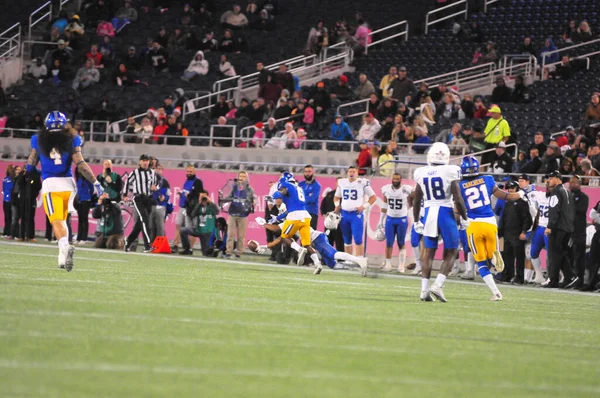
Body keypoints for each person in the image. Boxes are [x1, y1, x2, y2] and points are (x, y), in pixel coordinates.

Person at [26, 111, 103, 271]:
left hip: (51, 185)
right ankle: (62, 258)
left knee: (56, 220)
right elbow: (81, 165)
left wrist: (37, 173)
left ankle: (65, 246)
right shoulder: (73, 138)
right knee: (62, 219)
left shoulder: (37, 139)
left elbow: (30, 165)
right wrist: (96, 182)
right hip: (68, 186)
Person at [412, 143, 467, 302]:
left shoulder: (421, 172)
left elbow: (417, 200)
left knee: (428, 252)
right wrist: (464, 217)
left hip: (429, 213)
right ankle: (438, 284)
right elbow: (457, 198)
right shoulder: (451, 171)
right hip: (445, 212)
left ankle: (424, 290)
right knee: (452, 250)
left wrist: (416, 220)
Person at [272, 174, 324, 272]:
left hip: (295, 217)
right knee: (307, 244)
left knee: (284, 237)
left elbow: (283, 191)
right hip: (305, 216)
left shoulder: (286, 185)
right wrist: (278, 218)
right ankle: (318, 264)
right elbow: (289, 208)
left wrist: (277, 194)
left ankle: (299, 250)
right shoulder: (299, 188)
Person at [334, 166, 377, 257]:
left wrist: (364, 206)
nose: (351, 173)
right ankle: (348, 260)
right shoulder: (342, 182)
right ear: (347, 173)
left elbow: (373, 197)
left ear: (357, 173)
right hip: (344, 214)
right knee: (347, 239)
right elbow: (336, 197)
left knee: (358, 239)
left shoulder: (362, 182)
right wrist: (337, 205)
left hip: (356, 214)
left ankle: (359, 259)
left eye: (354, 171)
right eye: (350, 171)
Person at [544, 170, 576, 288]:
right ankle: (569, 276)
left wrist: (549, 226)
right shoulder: (567, 192)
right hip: (567, 227)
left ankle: (554, 280)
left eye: (551, 178)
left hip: (558, 227)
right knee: (560, 253)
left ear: (558, 179)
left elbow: (554, 211)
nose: (548, 180)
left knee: (554, 255)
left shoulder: (556, 192)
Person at [497, 180, 532, 285]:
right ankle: (508, 276)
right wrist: (501, 232)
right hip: (508, 233)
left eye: (512, 188)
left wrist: (524, 231)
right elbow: (504, 218)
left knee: (519, 258)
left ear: (517, 189)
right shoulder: (508, 203)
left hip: (517, 234)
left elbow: (528, 219)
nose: (510, 190)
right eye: (509, 188)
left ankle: (520, 278)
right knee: (507, 256)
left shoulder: (523, 203)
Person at [517, 174, 548, 284]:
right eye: (519, 180)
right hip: (530, 226)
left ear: (527, 181)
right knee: (529, 253)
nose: (520, 182)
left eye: (522, 180)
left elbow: (535, 213)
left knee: (531, 252)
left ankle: (529, 277)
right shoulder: (521, 193)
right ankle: (535, 276)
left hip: (536, 227)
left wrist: (530, 228)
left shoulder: (534, 194)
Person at [123, 154, 157, 253]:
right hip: (138, 198)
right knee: (145, 219)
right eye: (143, 160)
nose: (145, 162)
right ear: (140, 162)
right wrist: (125, 195)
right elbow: (127, 182)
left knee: (140, 223)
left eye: (147, 160)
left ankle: (128, 241)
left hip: (148, 199)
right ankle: (147, 245)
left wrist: (155, 188)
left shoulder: (152, 172)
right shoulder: (135, 173)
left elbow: (155, 184)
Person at [378, 173, 412, 272]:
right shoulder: (386, 189)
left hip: (402, 219)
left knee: (401, 242)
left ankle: (401, 265)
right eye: (394, 178)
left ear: (401, 180)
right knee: (389, 242)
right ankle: (388, 265)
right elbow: (384, 205)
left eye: (397, 179)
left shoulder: (406, 189)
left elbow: (413, 198)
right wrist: (381, 220)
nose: (395, 180)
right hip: (390, 218)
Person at [221, 171, 255, 258]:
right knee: (230, 233)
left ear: (246, 178)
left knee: (241, 235)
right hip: (233, 213)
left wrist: (252, 202)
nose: (242, 178)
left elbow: (253, 199)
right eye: (240, 176)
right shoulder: (234, 187)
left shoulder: (249, 189)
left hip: (243, 214)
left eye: (244, 176)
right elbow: (229, 197)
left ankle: (239, 253)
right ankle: (228, 251)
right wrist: (224, 199)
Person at [171, 165, 204, 252]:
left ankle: (190, 247)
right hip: (183, 206)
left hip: (191, 208)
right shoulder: (187, 181)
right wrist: (182, 194)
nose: (189, 173)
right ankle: (176, 245)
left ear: (194, 172)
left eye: (190, 172)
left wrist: (189, 195)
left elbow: (198, 194)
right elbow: (186, 192)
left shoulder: (198, 181)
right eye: (187, 171)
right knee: (178, 225)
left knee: (190, 228)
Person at [180, 191, 219, 255]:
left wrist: (210, 202)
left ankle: (212, 252)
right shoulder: (199, 206)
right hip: (198, 230)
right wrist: (199, 204)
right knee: (182, 230)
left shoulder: (211, 206)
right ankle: (187, 248)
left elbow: (216, 212)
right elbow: (192, 215)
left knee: (205, 253)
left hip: (207, 232)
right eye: (200, 197)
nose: (202, 199)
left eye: (203, 197)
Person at [569, 175, 588, 289]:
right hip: (568, 230)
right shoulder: (568, 196)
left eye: (574, 182)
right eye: (570, 182)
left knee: (579, 256)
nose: (571, 184)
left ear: (579, 184)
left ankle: (580, 279)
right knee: (569, 255)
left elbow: (580, 210)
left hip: (579, 231)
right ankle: (571, 277)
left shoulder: (583, 197)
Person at [149, 164, 171, 241]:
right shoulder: (149, 180)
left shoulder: (165, 182)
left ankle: (160, 244)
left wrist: (164, 197)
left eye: (160, 169)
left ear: (162, 170)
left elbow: (168, 195)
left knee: (160, 227)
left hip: (161, 206)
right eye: (156, 168)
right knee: (151, 226)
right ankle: (151, 244)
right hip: (151, 206)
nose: (158, 170)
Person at [298, 165, 321, 230]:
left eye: (309, 171)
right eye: (306, 171)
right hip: (301, 212)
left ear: (313, 172)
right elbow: (297, 197)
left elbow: (313, 199)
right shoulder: (301, 184)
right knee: (299, 234)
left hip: (311, 213)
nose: (307, 173)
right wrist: (308, 195)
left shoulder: (317, 185)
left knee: (311, 235)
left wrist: (302, 197)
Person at [75, 168, 94, 244]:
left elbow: (92, 189)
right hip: (79, 200)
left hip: (86, 200)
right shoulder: (78, 178)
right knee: (80, 219)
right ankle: (79, 237)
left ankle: (84, 238)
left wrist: (89, 196)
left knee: (84, 219)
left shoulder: (87, 179)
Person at [2, 165, 15, 236]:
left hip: (10, 200)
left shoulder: (14, 180)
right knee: (7, 217)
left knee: (10, 217)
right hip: (7, 200)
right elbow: (3, 190)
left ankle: (10, 232)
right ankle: (6, 232)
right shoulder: (5, 180)